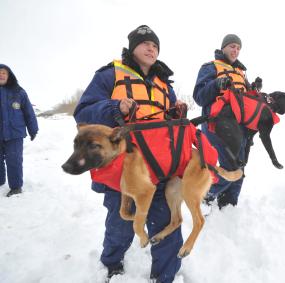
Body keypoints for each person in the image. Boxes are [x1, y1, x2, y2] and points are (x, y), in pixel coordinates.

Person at [74, 25, 183, 282]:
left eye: (155, 46)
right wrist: (115, 106)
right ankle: (111, 264)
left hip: (159, 165)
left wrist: (178, 112)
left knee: (166, 220)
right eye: (145, 44)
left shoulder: (165, 84)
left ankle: (165, 275)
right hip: (123, 166)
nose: (151, 48)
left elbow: (170, 122)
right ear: (133, 47)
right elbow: (83, 111)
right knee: (120, 223)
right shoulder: (109, 75)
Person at [193, 34, 250, 208]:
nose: (236, 50)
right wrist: (217, 84)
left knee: (240, 169)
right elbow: (199, 97)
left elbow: (246, 100)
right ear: (223, 47)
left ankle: (228, 206)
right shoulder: (210, 67)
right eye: (232, 46)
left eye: (238, 48)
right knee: (231, 169)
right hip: (217, 125)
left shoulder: (241, 72)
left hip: (241, 127)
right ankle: (205, 194)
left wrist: (254, 89)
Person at [0, 64, 38, 197]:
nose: (1, 75)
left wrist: (33, 129)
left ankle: (16, 187)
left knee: (14, 161)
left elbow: (29, 112)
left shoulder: (19, 92)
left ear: (9, 75)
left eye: (4, 72)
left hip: (14, 134)